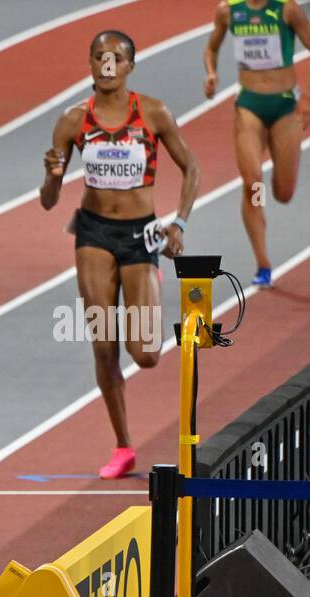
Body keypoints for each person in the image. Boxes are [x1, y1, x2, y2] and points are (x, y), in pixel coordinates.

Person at [41, 30, 200, 480]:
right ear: (90, 63)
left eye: (116, 58)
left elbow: (192, 167)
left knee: (146, 353)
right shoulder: (72, 122)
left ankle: (147, 289)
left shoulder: (152, 113)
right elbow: (49, 200)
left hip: (140, 235)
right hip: (92, 233)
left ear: (131, 65)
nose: (107, 65)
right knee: (103, 343)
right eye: (99, 57)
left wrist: (180, 223)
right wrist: (52, 177)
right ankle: (124, 445)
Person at [204, 0, 310, 287]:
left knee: (284, 192)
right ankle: (263, 263)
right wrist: (211, 74)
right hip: (249, 106)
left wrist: (307, 99)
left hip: (285, 104)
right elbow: (211, 47)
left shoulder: (287, 9)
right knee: (254, 184)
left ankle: (274, 178)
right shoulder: (229, 10)